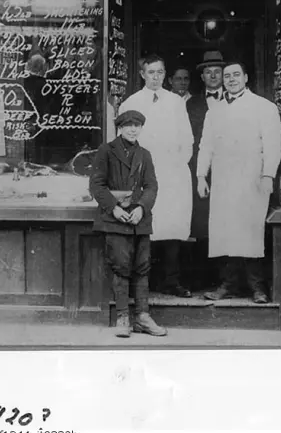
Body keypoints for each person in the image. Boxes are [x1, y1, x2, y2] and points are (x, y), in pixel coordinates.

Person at [196, 61, 281, 304]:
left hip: (252, 178)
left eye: (236, 74)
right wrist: (201, 175)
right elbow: (206, 145)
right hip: (223, 178)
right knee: (226, 231)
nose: (231, 79)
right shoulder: (215, 110)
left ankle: (258, 287)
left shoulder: (263, 107)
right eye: (227, 76)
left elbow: (274, 143)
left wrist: (268, 175)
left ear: (246, 77)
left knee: (251, 230)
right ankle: (228, 284)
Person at [119, 54, 194, 298]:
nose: (156, 77)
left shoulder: (175, 101)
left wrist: (178, 164)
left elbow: (187, 138)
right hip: (143, 173)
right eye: (151, 72)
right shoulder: (131, 101)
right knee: (146, 226)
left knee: (172, 226)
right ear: (143, 74)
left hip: (172, 173)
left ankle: (171, 281)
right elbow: (124, 141)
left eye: (160, 72)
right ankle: (144, 283)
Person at [89, 109, 167, 338]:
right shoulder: (106, 151)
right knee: (121, 266)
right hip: (115, 219)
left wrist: (142, 207)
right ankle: (123, 317)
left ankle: (143, 316)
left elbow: (152, 186)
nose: (133, 129)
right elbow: (96, 185)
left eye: (137, 125)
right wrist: (113, 208)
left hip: (139, 220)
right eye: (128, 125)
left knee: (142, 267)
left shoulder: (145, 154)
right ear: (120, 128)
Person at [186, 51, 226, 287]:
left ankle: (226, 279)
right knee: (201, 223)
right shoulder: (192, 104)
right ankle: (203, 278)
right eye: (208, 72)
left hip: (229, 170)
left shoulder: (233, 100)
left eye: (217, 72)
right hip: (200, 170)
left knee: (226, 221)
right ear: (202, 77)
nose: (213, 76)